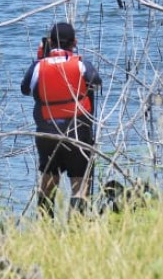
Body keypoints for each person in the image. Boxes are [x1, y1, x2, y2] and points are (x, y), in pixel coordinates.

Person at [20, 22, 102, 217]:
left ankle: (45, 227)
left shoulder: (38, 66)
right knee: (80, 185)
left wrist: (42, 59)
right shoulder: (81, 65)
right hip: (78, 132)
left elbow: (25, 89)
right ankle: (75, 228)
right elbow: (96, 83)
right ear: (75, 42)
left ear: (49, 42)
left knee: (49, 182)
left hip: (47, 134)